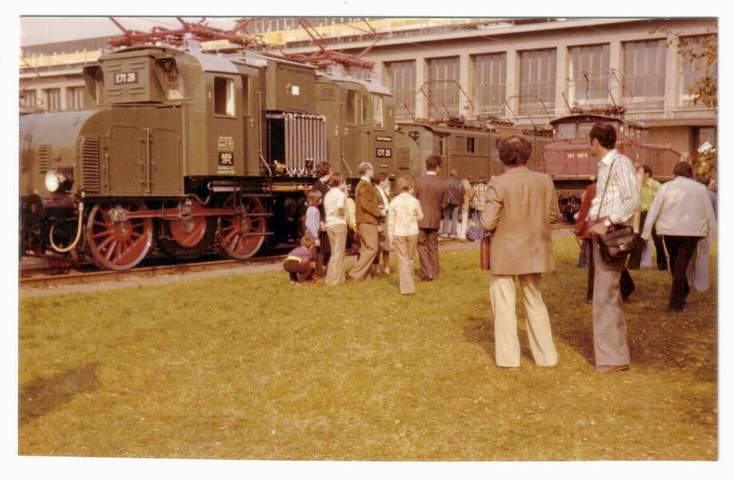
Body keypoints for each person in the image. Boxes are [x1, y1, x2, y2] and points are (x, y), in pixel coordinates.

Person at [480, 136, 559, 368]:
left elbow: (487, 222)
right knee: (535, 302)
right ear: (527, 155)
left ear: (502, 157)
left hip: (505, 253)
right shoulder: (545, 180)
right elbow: (553, 215)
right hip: (535, 250)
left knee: (504, 305)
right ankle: (546, 357)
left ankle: (508, 359)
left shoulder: (498, 183)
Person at [586, 122, 640, 374]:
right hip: (603, 231)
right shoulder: (607, 165)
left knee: (606, 296)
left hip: (610, 232)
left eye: (589, 141)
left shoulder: (620, 163)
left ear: (596, 141)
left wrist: (606, 222)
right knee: (605, 294)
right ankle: (611, 354)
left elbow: (632, 201)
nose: (588, 146)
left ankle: (613, 358)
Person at [642, 161, 717, 311]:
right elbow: (709, 212)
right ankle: (683, 291)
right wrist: (713, 234)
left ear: (674, 173)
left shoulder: (665, 187)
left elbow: (654, 209)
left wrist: (646, 232)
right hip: (692, 232)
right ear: (690, 174)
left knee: (675, 262)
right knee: (681, 265)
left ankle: (676, 303)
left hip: (669, 231)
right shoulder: (701, 189)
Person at [575, 180, 635, 303]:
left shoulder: (593, 188)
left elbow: (584, 211)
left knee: (595, 264)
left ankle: (592, 296)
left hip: (596, 229)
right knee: (614, 258)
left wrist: (579, 228)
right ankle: (625, 288)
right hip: (615, 228)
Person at [414, 155, 449, 281]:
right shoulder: (443, 183)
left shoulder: (418, 181)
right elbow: (445, 203)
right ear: (438, 167)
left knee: (421, 246)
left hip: (420, 219)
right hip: (435, 218)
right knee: (433, 246)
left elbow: (414, 200)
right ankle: (434, 272)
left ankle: (427, 272)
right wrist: (438, 209)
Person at [388, 177, 424, 295]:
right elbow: (420, 216)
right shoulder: (415, 201)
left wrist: (390, 238)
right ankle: (410, 285)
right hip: (412, 232)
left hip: (399, 233)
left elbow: (391, 222)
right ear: (409, 187)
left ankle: (406, 288)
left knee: (403, 259)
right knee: (410, 258)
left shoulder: (394, 202)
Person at [349, 162, 384, 281]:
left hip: (363, 221)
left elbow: (367, 203)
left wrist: (377, 207)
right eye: (372, 169)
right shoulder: (365, 185)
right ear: (368, 171)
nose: (373, 172)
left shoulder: (363, 184)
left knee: (365, 249)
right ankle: (355, 274)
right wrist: (379, 212)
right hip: (367, 221)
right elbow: (365, 204)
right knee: (373, 248)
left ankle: (365, 276)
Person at [628, 164, 667, 270]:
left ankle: (662, 265)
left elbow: (662, 201)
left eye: (640, 172)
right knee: (638, 239)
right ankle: (633, 265)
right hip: (641, 214)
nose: (638, 174)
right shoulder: (637, 185)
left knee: (658, 240)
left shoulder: (656, 185)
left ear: (647, 174)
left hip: (653, 214)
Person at [323, 173, 348, 286]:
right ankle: (336, 280)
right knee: (339, 253)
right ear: (341, 182)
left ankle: (331, 278)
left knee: (334, 252)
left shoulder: (327, 194)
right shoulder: (340, 194)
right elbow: (340, 208)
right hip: (339, 223)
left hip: (330, 224)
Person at [311, 162, 332, 272]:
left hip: (326, 217)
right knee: (322, 248)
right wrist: (320, 221)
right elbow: (314, 205)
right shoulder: (318, 186)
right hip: (322, 218)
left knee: (327, 246)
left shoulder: (326, 185)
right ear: (328, 172)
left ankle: (326, 269)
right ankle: (319, 271)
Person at [374, 174, 392, 275]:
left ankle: (386, 267)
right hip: (380, 220)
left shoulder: (383, 191)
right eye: (387, 180)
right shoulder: (375, 191)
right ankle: (377, 268)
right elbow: (375, 206)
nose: (388, 182)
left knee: (386, 245)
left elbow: (388, 204)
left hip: (386, 219)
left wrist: (388, 194)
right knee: (379, 245)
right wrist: (381, 209)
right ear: (381, 181)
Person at [304, 190, 323, 276]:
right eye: (320, 198)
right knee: (311, 255)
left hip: (313, 233)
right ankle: (310, 274)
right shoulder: (312, 210)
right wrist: (316, 238)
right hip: (311, 235)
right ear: (315, 199)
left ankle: (316, 272)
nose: (321, 200)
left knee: (315, 254)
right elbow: (311, 225)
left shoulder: (314, 209)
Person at [440, 169, 464, 239]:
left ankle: (445, 233)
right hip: (457, 202)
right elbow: (462, 192)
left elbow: (443, 191)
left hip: (448, 201)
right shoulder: (459, 182)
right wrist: (461, 202)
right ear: (456, 174)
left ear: (450, 174)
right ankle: (453, 233)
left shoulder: (446, 181)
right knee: (454, 218)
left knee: (446, 217)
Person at [456, 177, 474, 241]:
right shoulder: (468, 186)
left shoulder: (458, 184)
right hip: (465, 204)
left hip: (458, 205)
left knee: (459, 220)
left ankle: (458, 234)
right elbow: (471, 195)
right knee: (464, 221)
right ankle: (462, 236)